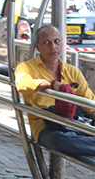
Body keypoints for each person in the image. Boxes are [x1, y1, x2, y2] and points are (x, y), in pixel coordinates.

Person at [15, 24, 95, 160]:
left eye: (57, 41)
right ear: (37, 47)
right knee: (60, 141)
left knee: (78, 135)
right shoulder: (26, 67)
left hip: (74, 123)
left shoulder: (72, 71)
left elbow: (89, 102)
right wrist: (51, 84)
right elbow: (22, 84)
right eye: (47, 43)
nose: (53, 47)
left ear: (62, 44)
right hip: (46, 127)